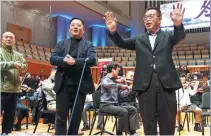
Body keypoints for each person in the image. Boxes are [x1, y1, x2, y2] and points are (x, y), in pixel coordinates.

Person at [104, 3, 186, 135]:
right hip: (145, 85)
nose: (147, 19)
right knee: (148, 122)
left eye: (151, 16)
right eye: (145, 17)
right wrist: (113, 31)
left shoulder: (168, 36)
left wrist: (178, 25)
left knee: (168, 121)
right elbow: (122, 43)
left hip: (166, 84)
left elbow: (180, 36)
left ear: (159, 19)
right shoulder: (139, 39)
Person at [50, 17, 96, 135]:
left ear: (83, 29)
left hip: (80, 86)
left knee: (75, 118)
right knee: (61, 117)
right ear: (69, 29)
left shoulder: (89, 44)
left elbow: (92, 60)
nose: (75, 27)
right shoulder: (61, 43)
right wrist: (64, 60)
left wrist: (75, 61)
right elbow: (53, 58)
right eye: (73, 25)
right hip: (63, 86)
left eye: (78, 25)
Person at [99, 63, 139, 135]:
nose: (118, 72)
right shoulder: (105, 79)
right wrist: (120, 85)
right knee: (123, 111)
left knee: (133, 109)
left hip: (115, 105)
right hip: (105, 105)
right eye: (117, 70)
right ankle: (119, 133)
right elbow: (107, 85)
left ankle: (133, 132)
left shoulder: (115, 81)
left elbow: (122, 94)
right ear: (113, 70)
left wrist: (128, 89)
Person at [0, 32, 28, 134]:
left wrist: (23, 67)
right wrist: (12, 64)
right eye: (6, 37)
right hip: (1, 89)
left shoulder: (19, 55)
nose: (9, 39)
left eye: (11, 37)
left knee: (10, 115)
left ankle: (6, 133)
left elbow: (25, 66)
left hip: (15, 89)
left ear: (14, 40)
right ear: (1, 39)